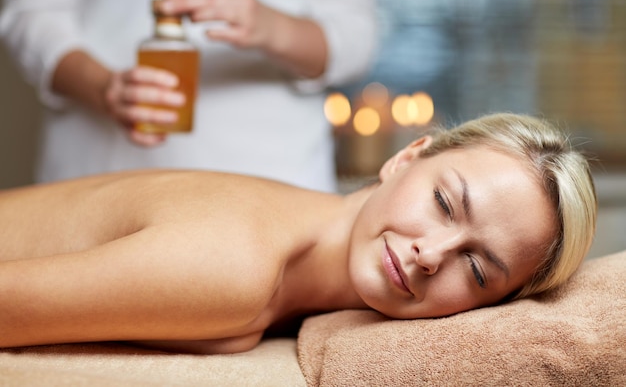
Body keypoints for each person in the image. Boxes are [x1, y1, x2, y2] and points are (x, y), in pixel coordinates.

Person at [0, 113, 597, 354]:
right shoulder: (235, 265)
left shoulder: (287, 228)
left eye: (476, 269)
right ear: (407, 157)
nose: (430, 255)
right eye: (444, 202)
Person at [0, 0, 376, 192]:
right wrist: (102, 87)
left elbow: (355, 38)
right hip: (97, 172)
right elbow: (30, 11)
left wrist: (273, 27)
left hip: (271, 179)